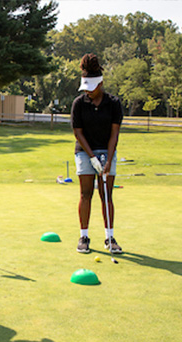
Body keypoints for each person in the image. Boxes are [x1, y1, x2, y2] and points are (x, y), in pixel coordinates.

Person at [71, 53, 123, 254]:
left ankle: (110, 238)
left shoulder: (113, 103)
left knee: (106, 194)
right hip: (84, 152)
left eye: (90, 89)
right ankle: (84, 236)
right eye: (85, 89)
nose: (88, 93)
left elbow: (114, 134)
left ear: (100, 85)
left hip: (107, 150)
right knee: (86, 193)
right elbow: (78, 133)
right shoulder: (79, 103)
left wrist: (108, 161)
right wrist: (92, 157)